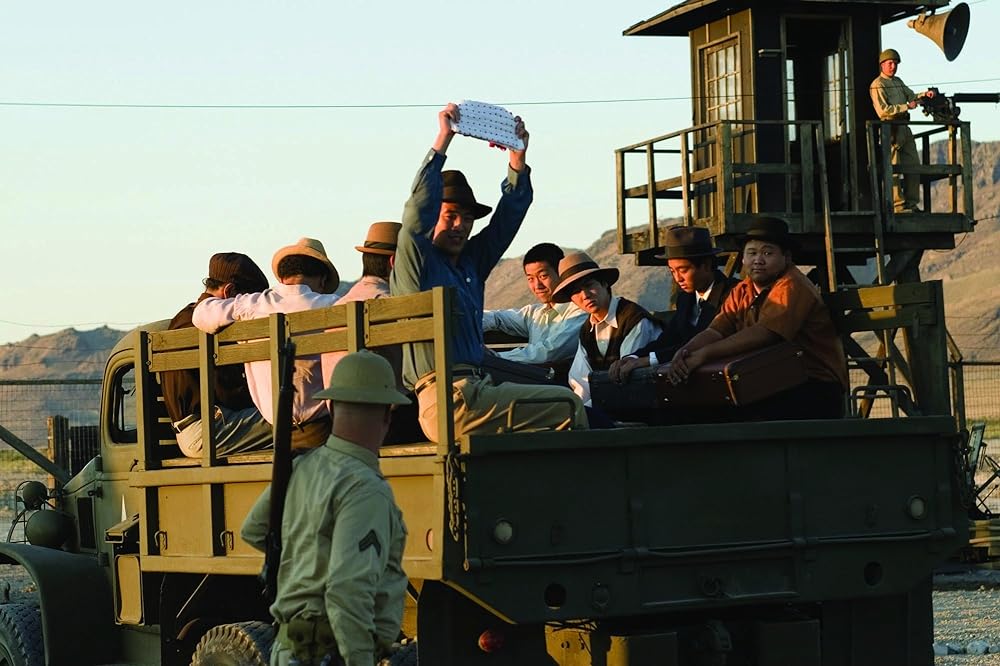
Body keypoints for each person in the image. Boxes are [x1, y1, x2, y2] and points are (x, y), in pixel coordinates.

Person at [389, 103, 588, 442]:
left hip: (474, 389)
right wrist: (443, 139)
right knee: (568, 405)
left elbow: (506, 221)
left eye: (467, 219)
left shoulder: (468, 264)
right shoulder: (416, 261)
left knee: (553, 394)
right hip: (449, 399)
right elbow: (415, 215)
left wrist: (516, 159)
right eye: (450, 215)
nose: (460, 225)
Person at [241, 350, 409, 666]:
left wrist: (306, 561)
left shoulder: (302, 466)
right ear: (387, 414)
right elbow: (348, 591)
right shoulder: (364, 488)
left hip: (290, 647)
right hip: (329, 653)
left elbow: (254, 530)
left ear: (330, 407)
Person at [664, 216, 849, 419]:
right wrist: (687, 350)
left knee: (722, 414)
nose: (758, 260)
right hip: (771, 379)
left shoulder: (793, 285)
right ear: (743, 259)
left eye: (767, 253)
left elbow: (765, 333)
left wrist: (704, 354)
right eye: (751, 253)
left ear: (786, 257)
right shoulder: (743, 289)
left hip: (813, 385)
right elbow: (717, 329)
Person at [192, 237, 341, 449]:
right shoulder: (334, 306)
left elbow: (201, 314)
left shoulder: (251, 305)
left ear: (281, 276)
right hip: (323, 430)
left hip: (276, 433)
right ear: (322, 280)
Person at [162, 252, 275, 457]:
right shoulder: (211, 328)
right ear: (230, 291)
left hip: (204, 427)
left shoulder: (184, 318)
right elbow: (232, 393)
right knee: (300, 419)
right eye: (249, 302)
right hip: (208, 430)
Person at [608, 225, 739, 384]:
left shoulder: (734, 295)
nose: (678, 278)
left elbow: (701, 343)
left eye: (683, 270)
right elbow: (668, 338)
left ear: (705, 265)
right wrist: (633, 357)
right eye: (672, 271)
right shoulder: (685, 299)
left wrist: (647, 361)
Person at [551, 251, 661, 407]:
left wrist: (588, 412)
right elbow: (580, 381)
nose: (585, 295)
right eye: (576, 292)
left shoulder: (634, 319)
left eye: (589, 285)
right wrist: (580, 412)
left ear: (604, 284)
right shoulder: (587, 330)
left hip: (643, 406)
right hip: (607, 408)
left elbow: (626, 375)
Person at [482, 242, 587, 365]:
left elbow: (549, 352)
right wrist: (466, 325)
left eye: (543, 276)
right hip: (533, 378)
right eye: (530, 279)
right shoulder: (535, 313)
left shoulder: (579, 313)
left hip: (563, 382)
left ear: (560, 274)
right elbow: (496, 317)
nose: (537, 286)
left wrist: (495, 356)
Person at [869, 48, 936, 213]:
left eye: (896, 63)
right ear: (882, 65)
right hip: (890, 128)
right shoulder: (877, 84)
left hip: (904, 128)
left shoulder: (898, 81)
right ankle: (898, 206)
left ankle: (912, 203)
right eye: (890, 63)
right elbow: (883, 110)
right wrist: (906, 106)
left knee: (913, 165)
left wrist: (924, 95)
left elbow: (911, 96)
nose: (893, 66)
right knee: (893, 167)